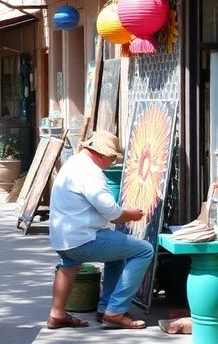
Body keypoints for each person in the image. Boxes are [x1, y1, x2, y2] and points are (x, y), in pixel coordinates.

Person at [47, 131, 152, 330]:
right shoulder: (90, 173)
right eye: (112, 158)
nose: (112, 163)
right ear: (101, 155)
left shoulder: (74, 162)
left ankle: (58, 314)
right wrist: (130, 214)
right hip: (84, 239)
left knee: (74, 263)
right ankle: (115, 311)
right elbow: (111, 212)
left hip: (64, 238)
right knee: (144, 250)